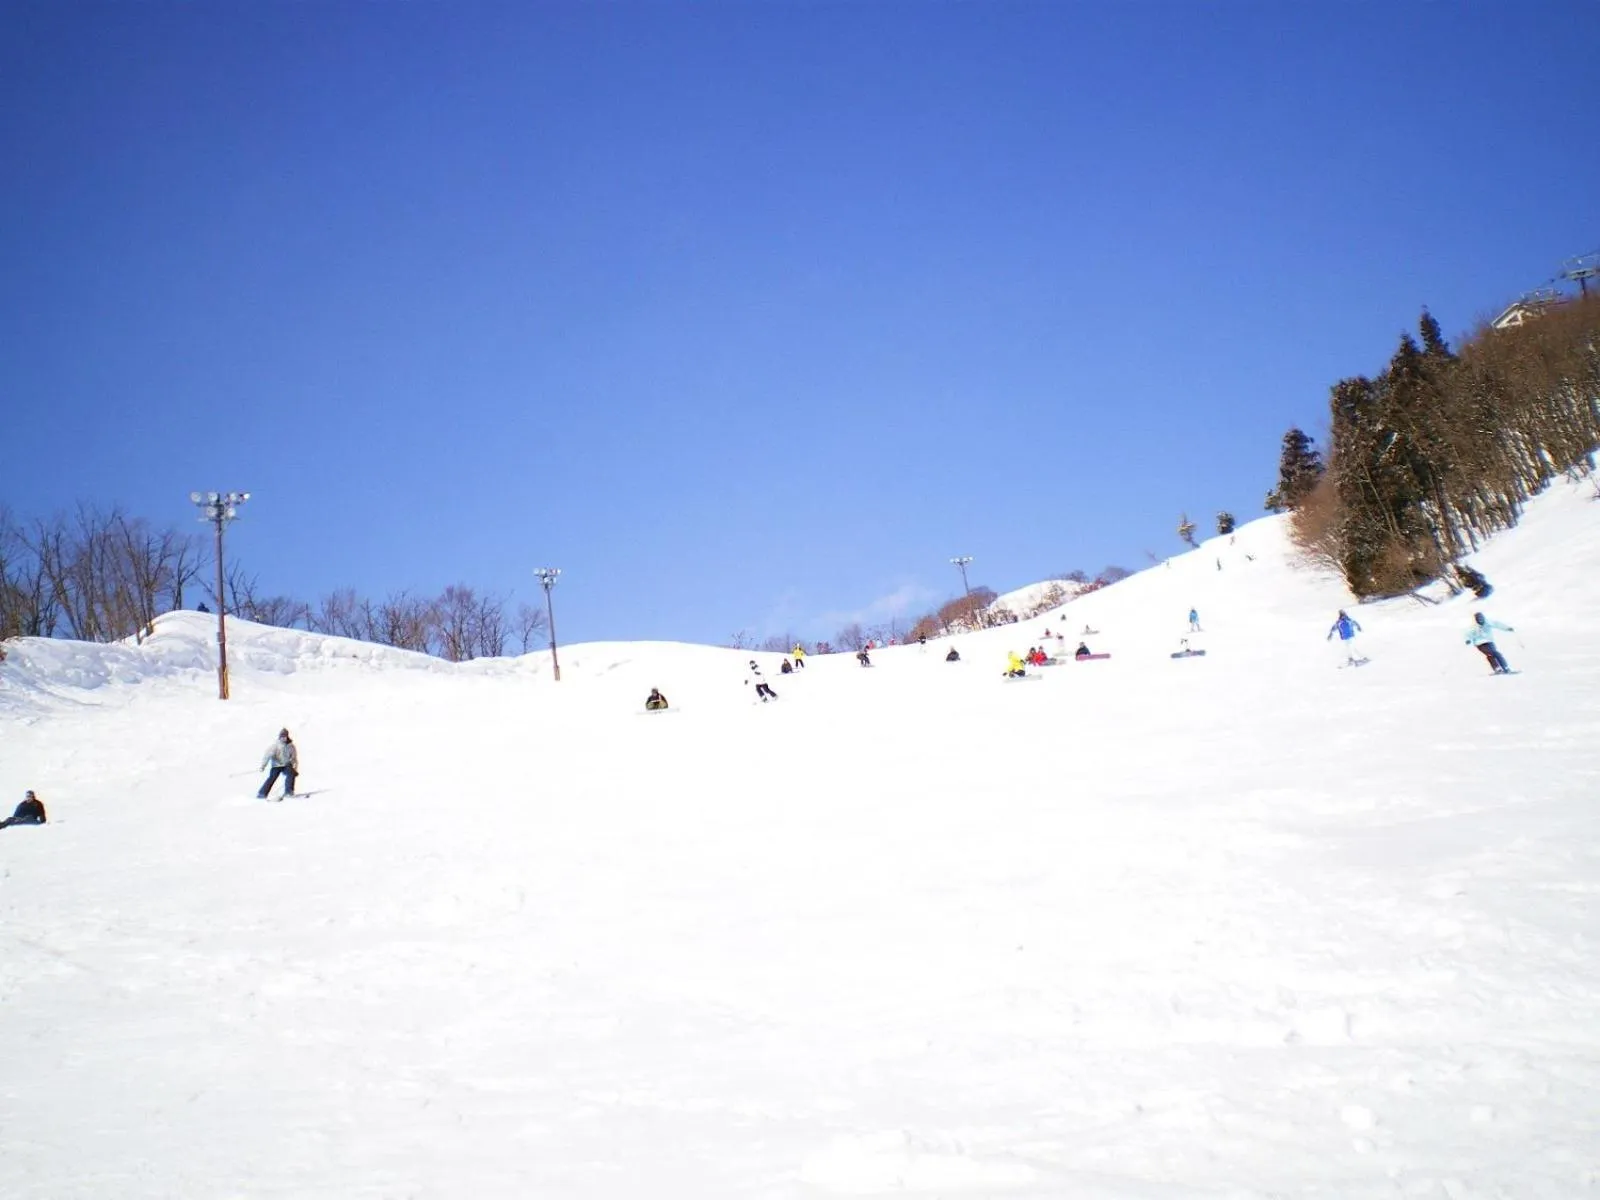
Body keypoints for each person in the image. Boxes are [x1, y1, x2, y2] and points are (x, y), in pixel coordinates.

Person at [257, 728, 299, 799]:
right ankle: (262, 793)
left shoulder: (291, 746)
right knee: (272, 778)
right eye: (282, 737)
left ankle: (288, 792)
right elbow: (267, 755)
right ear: (279, 737)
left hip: (286, 765)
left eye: (285, 736)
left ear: (287, 737)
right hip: (276, 765)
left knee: (291, 774)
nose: (283, 738)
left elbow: (294, 757)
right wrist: (263, 766)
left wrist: (295, 768)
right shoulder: (275, 746)